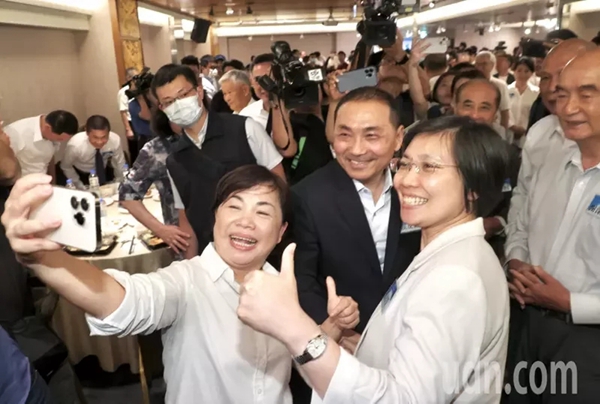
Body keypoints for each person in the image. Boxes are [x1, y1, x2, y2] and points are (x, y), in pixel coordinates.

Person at [1, 166, 359, 404]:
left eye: (263, 212)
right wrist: (43, 259)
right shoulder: (186, 283)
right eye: (234, 207)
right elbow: (124, 299)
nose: (246, 221)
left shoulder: (281, 286)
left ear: (280, 232)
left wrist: (331, 328)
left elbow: (293, 359)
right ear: (215, 216)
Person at [238, 116, 510, 404]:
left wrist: (291, 325)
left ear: (474, 186)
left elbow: (403, 400)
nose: (406, 180)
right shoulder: (447, 254)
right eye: (405, 164)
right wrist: (359, 351)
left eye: (429, 167)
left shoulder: (455, 279)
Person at [506, 47, 600, 403]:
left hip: (588, 342)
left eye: (586, 95)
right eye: (562, 95)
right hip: (530, 322)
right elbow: (522, 211)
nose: (567, 108)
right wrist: (516, 259)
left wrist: (571, 302)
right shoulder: (551, 155)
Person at [151, 64, 285, 259]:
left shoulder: (245, 129)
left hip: (259, 250)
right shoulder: (175, 160)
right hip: (212, 259)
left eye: (183, 95)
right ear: (162, 109)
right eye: (169, 102)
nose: (178, 104)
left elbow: (279, 184)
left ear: (198, 91)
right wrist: (193, 268)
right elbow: (186, 220)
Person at [119, 111, 189, 254]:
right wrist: (160, 229)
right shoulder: (157, 149)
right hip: (183, 237)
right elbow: (127, 194)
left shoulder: (217, 140)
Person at [239, 53, 298, 158]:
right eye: (258, 80)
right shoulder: (246, 115)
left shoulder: (299, 109)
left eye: (270, 78)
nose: (265, 85)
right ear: (251, 83)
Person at [4, 111, 78, 180]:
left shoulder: (54, 128)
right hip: (22, 182)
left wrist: (53, 181)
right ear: (47, 128)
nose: (61, 141)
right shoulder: (16, 134)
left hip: (43, 179)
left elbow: (50, 158)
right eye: (59, 139)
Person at [59, 115, 126, 188]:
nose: (99, 142)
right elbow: (66, 166)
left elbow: (119, 163)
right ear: (87, 133)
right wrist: (78, 184)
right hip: (81, 174)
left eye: (104, 137)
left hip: (103, 171)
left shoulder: (115, 140)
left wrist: (119, 183)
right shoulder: (75, 145)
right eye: (95, 137)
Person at [474, 51, 511, 128]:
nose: (480, 67)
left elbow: (505, 112)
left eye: (484, 64)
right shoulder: (470, 83)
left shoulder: (500, 85)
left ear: (492, 65)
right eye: (477, 64)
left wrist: (503, 131)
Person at [508, 58, 539, 147]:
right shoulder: (506, 90)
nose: (522, 74)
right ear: (514, 71)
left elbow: (536, 114)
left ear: (531, 73)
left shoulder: (536, 93)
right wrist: (512, 126)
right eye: (519, 70)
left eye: (526, 71)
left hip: (528, 135)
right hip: (508, 134)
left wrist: (524, 129)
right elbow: (504, 112)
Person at [118, 67, 139, 162]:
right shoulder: (123, 92)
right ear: (129, 78)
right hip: (131, 123)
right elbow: (123, 111)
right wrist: (128, 129)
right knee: (135, 150)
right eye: (135, 76)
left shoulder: (139, 89)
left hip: (140, 120)